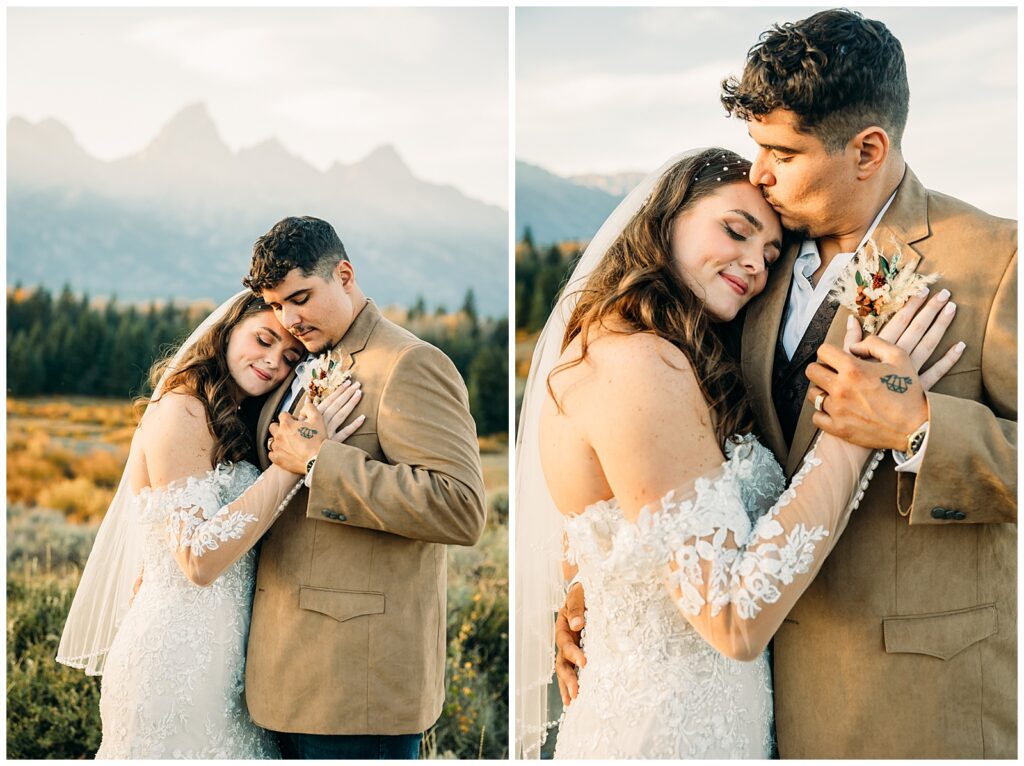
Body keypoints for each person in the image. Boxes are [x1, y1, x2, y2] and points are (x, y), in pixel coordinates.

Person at [554, 9, 1017, 759]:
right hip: (743, 702)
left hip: (916, 708)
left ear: (867, 149)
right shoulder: (739, 271)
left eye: (780, 150)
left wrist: (918, 429)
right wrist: (605, 590)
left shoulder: (996, 260)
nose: (759, 174)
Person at [516, 147, 964, 759]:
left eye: (772, 254)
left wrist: (590, 596)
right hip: (664, 736)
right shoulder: (635, 364)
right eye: (735, 230)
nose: (755, 264)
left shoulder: (662, 353)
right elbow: (732, 616)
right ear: (664, 219)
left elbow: (610, 536)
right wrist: (856, 430)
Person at [57, 290, 365, 758]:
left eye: (289, 357)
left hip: (231, 667)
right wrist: (293, 464)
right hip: (173, 664)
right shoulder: (182, 410)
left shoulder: (239, 421)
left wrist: (316, 457)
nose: (271, 363)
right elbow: (198, 561)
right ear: (226, 331)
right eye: (262, 339)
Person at [239, 216, 487, 760]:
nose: (288, 319)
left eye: (300, 298)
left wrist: (319, 465)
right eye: (277, 305)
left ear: (344, 275)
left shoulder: (410, 363)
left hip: (358, 687)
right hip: (277, 676)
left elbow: (461, 508)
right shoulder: (294, 364)